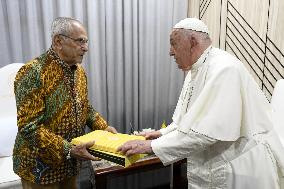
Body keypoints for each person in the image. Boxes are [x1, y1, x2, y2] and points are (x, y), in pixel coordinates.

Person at [118, 18, 284, 188]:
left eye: (174, 44)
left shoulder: (225, 69)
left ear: (192, 42)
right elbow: (190, 118)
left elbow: (207, 133)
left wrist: (151, 146)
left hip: (238, 168)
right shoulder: (194, 70)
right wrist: (162, 133)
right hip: (214, 162)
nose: (170, 52)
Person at [13, 17, 117, 189]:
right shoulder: (33, 72)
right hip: (40, 171)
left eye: (86, 41)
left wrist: (102, 127)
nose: (86, 48)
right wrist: (68, 149)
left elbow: (84, 107)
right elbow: (29, 127)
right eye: (80, 41)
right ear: (58, 41)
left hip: (69, 166)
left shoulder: (79, 72)